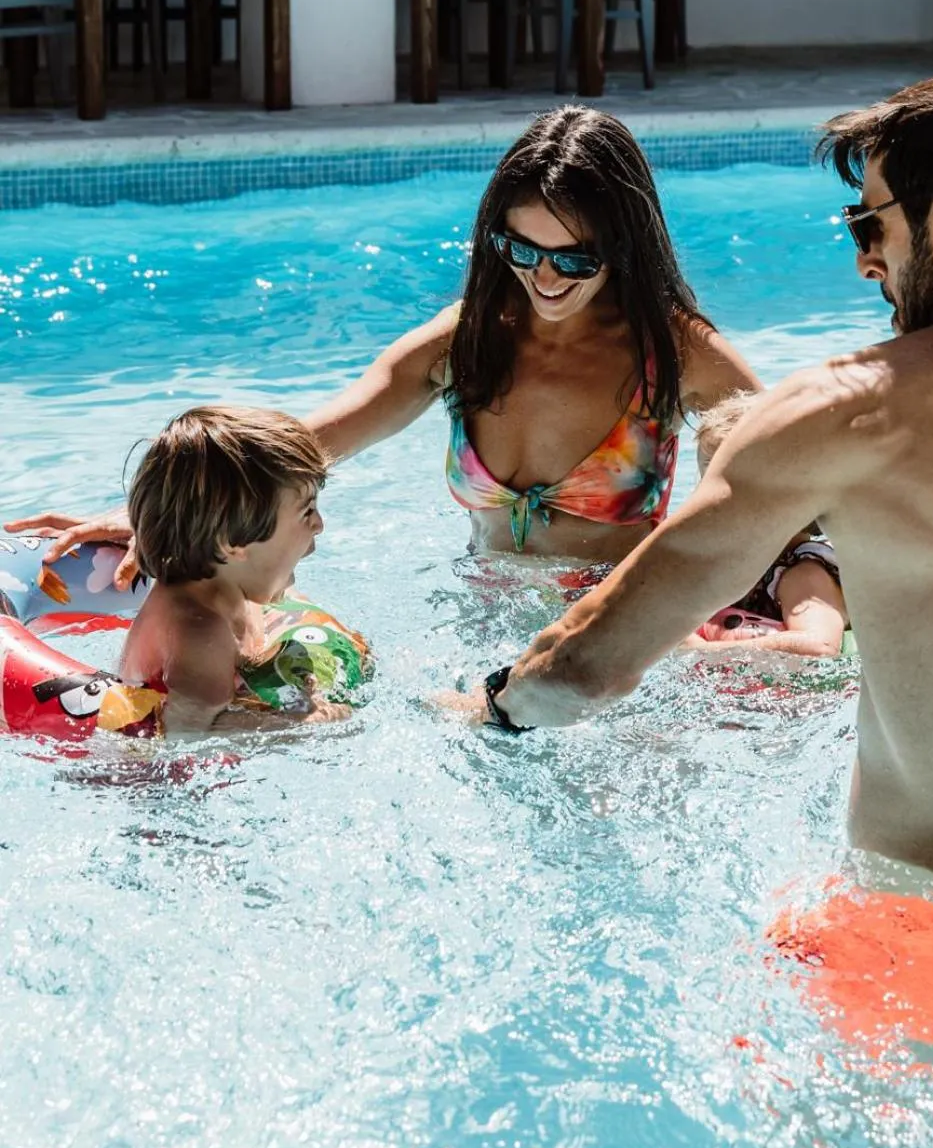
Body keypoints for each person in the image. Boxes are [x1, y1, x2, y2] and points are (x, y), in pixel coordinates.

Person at [474, 68, 933, 882]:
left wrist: (492, 707)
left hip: (915, 905)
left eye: (869, 225)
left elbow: (590, 664)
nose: (867, 264)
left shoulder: (841, 412)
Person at [9, 108, 758, 581]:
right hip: (479, 620)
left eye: (573, 259)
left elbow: (789, 470)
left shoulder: (675, 353)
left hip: (611, 629)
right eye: (520, 250)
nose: (544, 277)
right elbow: (317, 439)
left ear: (623, 249)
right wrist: (164, 515)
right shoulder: (466, 341)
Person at [119, 405, 350, 735]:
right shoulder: (200, 635)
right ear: (232, 543)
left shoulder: (231, 587)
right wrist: (301, 723)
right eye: (306, 511)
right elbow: (187, 731)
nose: (319, 525)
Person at [689, 392, 847, 659]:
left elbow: (820, 647)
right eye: (709, 482)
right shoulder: (724, 564)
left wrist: (705, 651)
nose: (714, 499)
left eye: (735, 487)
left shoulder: (802, 575)